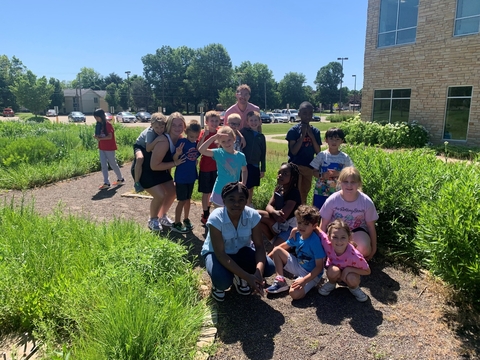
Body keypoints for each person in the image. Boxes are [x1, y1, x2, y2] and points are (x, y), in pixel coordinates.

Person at [201, 182, 276, 302]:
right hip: (217, 254)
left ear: (246, 201)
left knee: (269, 267)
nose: (236, 203)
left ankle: (238, 276)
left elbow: (259, 247)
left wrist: (258, 274)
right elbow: (220, 253)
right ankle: (219, 286)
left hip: (240, 252)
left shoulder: (252, 215)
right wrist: (248, 277)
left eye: (241, 199)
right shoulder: (216, 218)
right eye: (231, 199)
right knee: (222, 281)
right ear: (224, 201)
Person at [266, 205, 326, 300]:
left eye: (306, 224)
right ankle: (280, 280)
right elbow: (280, 248)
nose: (301, 226)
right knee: (277, 250)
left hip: (311, 274)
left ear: (314, 226)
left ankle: (311, 284)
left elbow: (319, 267)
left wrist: (303, 280)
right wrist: (265, 262)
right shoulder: (297, 235)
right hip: (299, 266)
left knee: (294, 294)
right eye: (299, 223)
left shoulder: (315, 242)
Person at [139, 112, 186, 232]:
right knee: (160, 195)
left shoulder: (179, 139)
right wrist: (175, 163)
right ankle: (153, 219)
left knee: (172, 192)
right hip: (147, 171)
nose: (177, 128)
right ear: (168, 126)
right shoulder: (163, 140)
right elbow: (154, 166)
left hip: (162, 171)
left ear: (184, 126)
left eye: (180, 125)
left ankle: (162, 216)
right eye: (174, 125)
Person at [319, 167, 378, 260]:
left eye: (353, 182)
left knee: (364, 248)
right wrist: (321, 246)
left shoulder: (366, 201)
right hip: (336, 231)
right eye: (345, 181)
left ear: (359, 183)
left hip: (356, 231)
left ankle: (348, 258)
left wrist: (374, 248)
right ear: (340, 182)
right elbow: (323, 224)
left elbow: (371, 226)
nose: (349, 185)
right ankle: (344, 258)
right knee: (332, 244)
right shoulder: (333, 199)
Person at [318, 219, 371, 302]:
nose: (339, 241)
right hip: (336, 273)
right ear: (329, 237)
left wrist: (349, 269)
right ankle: (331, 283)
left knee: (352, 278)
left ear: (349, 237)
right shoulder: (327, 243)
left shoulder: (355, 256)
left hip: (350, 276)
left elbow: (367, 271)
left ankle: (354, 288)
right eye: (335, 237)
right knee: (332, 271)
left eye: (343, 237)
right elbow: (320, 232)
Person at [198, 126, 247, 207]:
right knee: (220, 216)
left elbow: (244, 170)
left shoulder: (241, 156)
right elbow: (201, 150)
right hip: (219, 190)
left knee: (232, 215)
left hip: (233, 191)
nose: (227, 143)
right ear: (219, 142)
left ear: (234, 138)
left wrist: (243, 183)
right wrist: (213, 138)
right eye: (223, 141)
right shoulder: (218, 153)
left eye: (229, 140)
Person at [285, 101, 321, 204]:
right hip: (295, 166)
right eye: (304, 113)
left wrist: (312, 136)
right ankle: (293, 213)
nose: (307, 116)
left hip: (309, 167)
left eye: (310, 113)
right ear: (299, 114)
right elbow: (294, 151)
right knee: (295, 191)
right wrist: (302, 136)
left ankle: (302, 212)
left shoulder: (315, 131)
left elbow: (318, 152)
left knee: (304, 191)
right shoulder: (293, 131)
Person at [258, 163, 301, 247]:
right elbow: (268, 206)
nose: (280, 175)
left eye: (285, 174)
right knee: (256, 216)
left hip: (290, 227)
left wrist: (275, 214)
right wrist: (274, 212)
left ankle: (282, 242)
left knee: (274, 253)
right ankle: (275, 239)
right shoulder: (279, 188)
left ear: (292, 177)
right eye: (279, 173)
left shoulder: (294, 192)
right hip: (279, 222)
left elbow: (283, 216)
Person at [310, 127, 353, 210]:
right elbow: (313, 171)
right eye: (331, 139)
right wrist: (322, 175)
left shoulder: (345, 157)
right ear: (326, 140)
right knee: (319, 211)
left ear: (342, 141)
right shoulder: (321, 155)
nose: (334, 142)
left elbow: (350, 173)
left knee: (336, 212)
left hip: (338, 191)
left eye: (337, 139)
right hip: (321, 191)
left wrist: (339, 174)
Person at [171, 119, 201, 233]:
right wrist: (177, 154)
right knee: (182, 200)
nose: (193, 139)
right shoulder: (182, 142)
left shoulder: (196, 143)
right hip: (181, 177)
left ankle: (186, 219)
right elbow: (174, 159)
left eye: (196, 136)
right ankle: (176, 223)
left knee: (188, 199)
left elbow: (196, 155)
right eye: (191, 136)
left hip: (191, 176)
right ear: (186, 132)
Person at [132, 113, 167, 193]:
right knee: (140, 158)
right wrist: (157, 140)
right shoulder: (150, 132)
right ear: (151, 125)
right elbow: (148, 148)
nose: (159, 130)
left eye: (162, 127)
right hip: (140, 146)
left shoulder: (163, 130)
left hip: (149, 145)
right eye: (156, 128)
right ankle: (137, 182)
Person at [93, 108, 125, 190]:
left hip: (109, 148)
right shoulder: (99, 125)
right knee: (103, 165)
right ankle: (106, 182)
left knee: (113, 164)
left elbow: (110, 137)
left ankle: (120, 178)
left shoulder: (108, 125)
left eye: (97, 117)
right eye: (95, 118)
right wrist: (96, 136)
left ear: (102, 116)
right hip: (101, 147)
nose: (96, 119)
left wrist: (100, 139)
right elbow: (100, 135)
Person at [197, 111, 220, 225]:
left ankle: (212, 212)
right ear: (206, 122)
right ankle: (205, 213)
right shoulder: (203, 133)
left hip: (218, 167)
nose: (214, 123)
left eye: (216, 121)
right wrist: (205, 136)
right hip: (205, 167)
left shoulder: (220, 132)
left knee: (213, 192)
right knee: (205, 192)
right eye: (212, 121)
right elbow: (198, 148)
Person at [240, 111, 266, 207]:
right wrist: (242, 137)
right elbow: (236, 132)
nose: (253, 122)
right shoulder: (244, 132)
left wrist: (263, 169)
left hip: (255, 165)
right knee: (244, 186)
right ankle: (242, 205)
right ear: (247, 121)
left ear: (260, 121)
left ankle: (249, 204)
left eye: (255, 120)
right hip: (244, 165)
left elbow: (263, 154)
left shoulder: (261, 137)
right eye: (251, 120)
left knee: (251, 188)